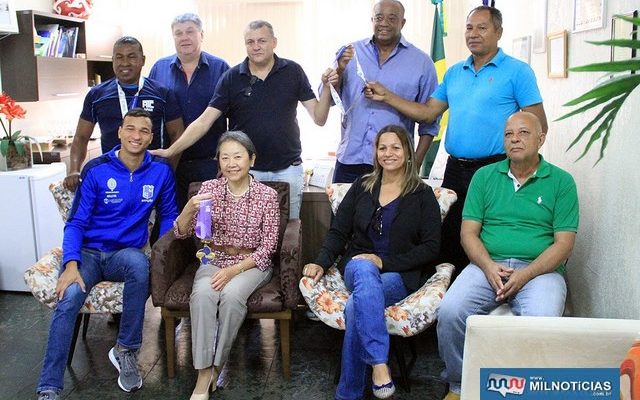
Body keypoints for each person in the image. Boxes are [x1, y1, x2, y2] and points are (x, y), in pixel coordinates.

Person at [366, 5, 548, 271]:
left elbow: (538, 126)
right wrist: (387, 96)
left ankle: (490, 297)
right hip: (455, 169)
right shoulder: (454, 73)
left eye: (482, 28)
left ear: (498, 32)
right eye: (469, 27)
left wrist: (523, 166)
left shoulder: (518, 72)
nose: (473, 34)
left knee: (486, 236)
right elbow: (428, 113)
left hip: (495, 169)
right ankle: (448, 302)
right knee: (450, 239)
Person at [36, 109, 179, 400]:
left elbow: (168, 215)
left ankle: (125, 350)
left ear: (152, 137)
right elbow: (75, 222)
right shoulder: (97, 169)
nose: (136, 135)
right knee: (68, 299)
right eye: (130, 128)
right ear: (120, 132)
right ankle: (49, 385)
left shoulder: (160, 171)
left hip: (125, 253)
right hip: (88, 254)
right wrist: (71, 264)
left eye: (143, 131)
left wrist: (163, 253)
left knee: (141, 266)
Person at [436, 112, 578, 400]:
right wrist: (488, 267)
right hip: (488, 265)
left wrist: (525, 275)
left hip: (541, 272)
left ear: (541, 138)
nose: (515, 138)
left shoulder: (561, 182)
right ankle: (460, 385)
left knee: (542, 322)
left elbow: (563, 245)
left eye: (524, 132)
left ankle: (519, 391)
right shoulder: (484, 177)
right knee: (450, 312)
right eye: (509, 133)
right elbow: (468, 234)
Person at [303, 125, 441, 400]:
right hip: (356, 266)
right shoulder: (362, 186)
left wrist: (384, 260)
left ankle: (348, 393)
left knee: (357, 306)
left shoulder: (423, 194)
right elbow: (338, 231)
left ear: (408, 152)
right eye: (382, 148)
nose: (388, 153)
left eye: (395, 147)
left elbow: (431, 248)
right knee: (364, 267)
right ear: (376, 153)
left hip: (399, 273)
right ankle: (380, 363)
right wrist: (320, 262)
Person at [152, 20, 337, 219]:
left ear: (274, 42)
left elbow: (319, 117)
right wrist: (171, 150)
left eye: (262, 41)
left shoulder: (293, 71)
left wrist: (326, 88)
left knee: (288, 234)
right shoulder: (232, 77)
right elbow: (204, 121)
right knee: (245, 233)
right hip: (246, 172)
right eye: (250, 42)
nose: (256, 46)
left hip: (288, 170)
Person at [172, 131, 279, 400]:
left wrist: (233, 271)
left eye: (238, 156)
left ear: (251, 160)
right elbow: (183, 234)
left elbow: (269, 247)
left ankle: (216, 366)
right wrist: (188, 209)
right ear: (218, 162)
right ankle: (203, 374)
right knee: (203, 294)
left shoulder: (267, 196)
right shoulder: (208, 190)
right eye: (225, 157)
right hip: (213, 257)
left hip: (251, 263)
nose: (231, 163)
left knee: (231, 297)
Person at [330, 0, 439, 183]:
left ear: (402, 23)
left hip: (394, 166)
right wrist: (339, 71)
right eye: (379, 18)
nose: (384, 24)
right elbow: (329, 99)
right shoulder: (350, 53)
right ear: (372, 20)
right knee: (343, 212)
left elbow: (430, 123)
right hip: (349, 161)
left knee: (391, 213)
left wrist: (415, 165)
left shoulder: (422, 63)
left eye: (392, 18)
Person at [63, 36, 184, 191]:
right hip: (111, 177)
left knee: (153, 215)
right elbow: (81, 137)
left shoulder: (162, 93)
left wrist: (166, 172)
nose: (125, 63)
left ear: (143, 60)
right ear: (113, 60)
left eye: (131, 57)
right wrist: (74, 169)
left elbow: (178, 135)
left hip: (151, 175)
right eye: (119, 57)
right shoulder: (96, 95)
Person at [149, 13, 230, 209]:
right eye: (178, 33)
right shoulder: (158, 69)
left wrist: (227, 161)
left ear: (201, 34)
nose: (184, 37)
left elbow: (234, 119)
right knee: (172, 220)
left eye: (190, 31)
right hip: (170, 163)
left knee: (207, 225)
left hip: (210, 164)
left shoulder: (222, 68)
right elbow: (150, 116)